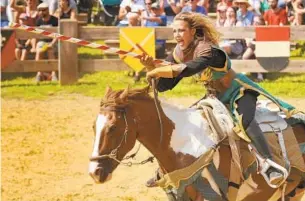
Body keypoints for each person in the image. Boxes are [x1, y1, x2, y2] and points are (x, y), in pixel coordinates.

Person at [140, 11, 300, 187]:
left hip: (238, 92)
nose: (177, 35)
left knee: (244, 121)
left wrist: (161, 69)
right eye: (175, 31)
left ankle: (270, 165)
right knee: (185, 123)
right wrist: (151, 69)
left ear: (193, 31)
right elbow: (165, 86)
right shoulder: (179, 53)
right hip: (213, 98)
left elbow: (191, 68)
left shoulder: (208, 50)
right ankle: (168, 170)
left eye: (181, 30)